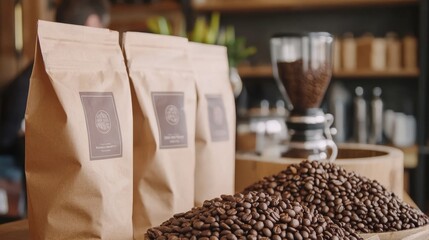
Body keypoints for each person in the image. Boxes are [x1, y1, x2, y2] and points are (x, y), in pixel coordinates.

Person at [0, 0, 110, 217]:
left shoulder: (80, 77)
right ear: (87, 27)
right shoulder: (31, 81)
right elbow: (4, 138)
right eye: (98, 31)